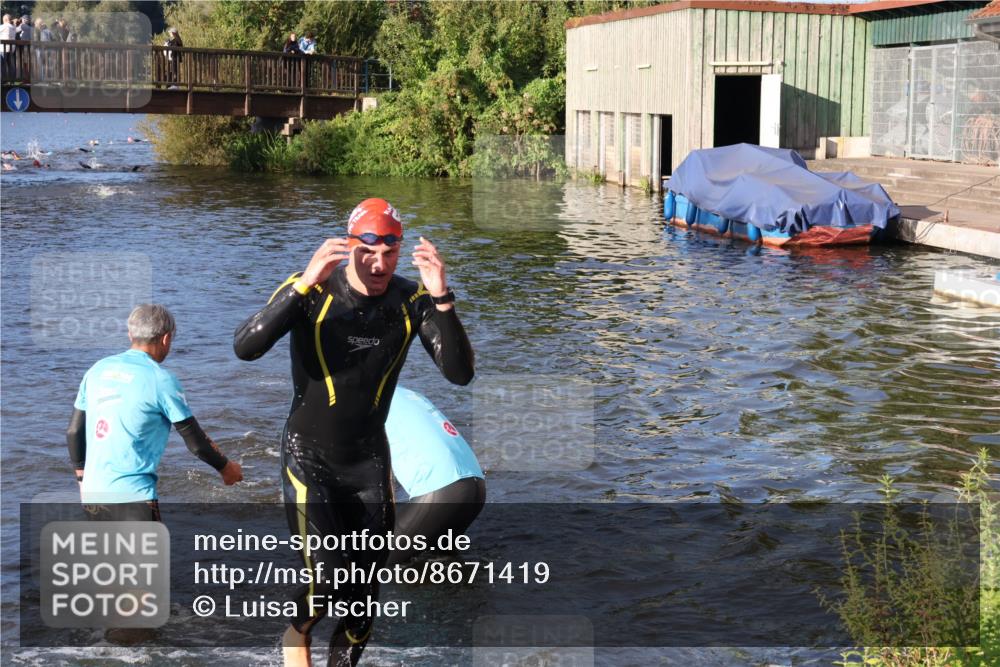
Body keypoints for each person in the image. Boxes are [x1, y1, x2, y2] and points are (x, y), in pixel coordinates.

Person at [233, 198, 474, 667]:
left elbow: (460, 373)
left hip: (368, 466)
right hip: (309, 459)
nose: (379, 265)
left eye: (390, 253)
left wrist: (442, 297)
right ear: (348, 247)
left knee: (361, 608)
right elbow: (246, 347)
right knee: (325, 584)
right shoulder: (313, 291)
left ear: (400, 250)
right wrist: (303, 284)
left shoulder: (411, 301)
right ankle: (295, 636)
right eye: (368, 253)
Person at [67, 304, 243, 521]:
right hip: (132, 498)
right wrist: (227, 468)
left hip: (93, 495)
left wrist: (82, 480)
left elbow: (74, 432)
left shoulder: (97, 370)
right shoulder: (161, 379)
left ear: (130, 334)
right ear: (166, 339)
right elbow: (196, 441)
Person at [384, 386, 485, 567]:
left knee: (376, 564)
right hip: (476, 486)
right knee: (442, 562)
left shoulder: (367, 399)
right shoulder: (407, 393)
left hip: (441, 490)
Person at [0, 15, 15, 82]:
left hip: (3, 49)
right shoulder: (13, 27)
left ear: (5, 20)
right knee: (10, 65)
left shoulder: (4, 26)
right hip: (11, 49)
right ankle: (12, 81)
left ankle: (3, 80)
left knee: (2, 65)